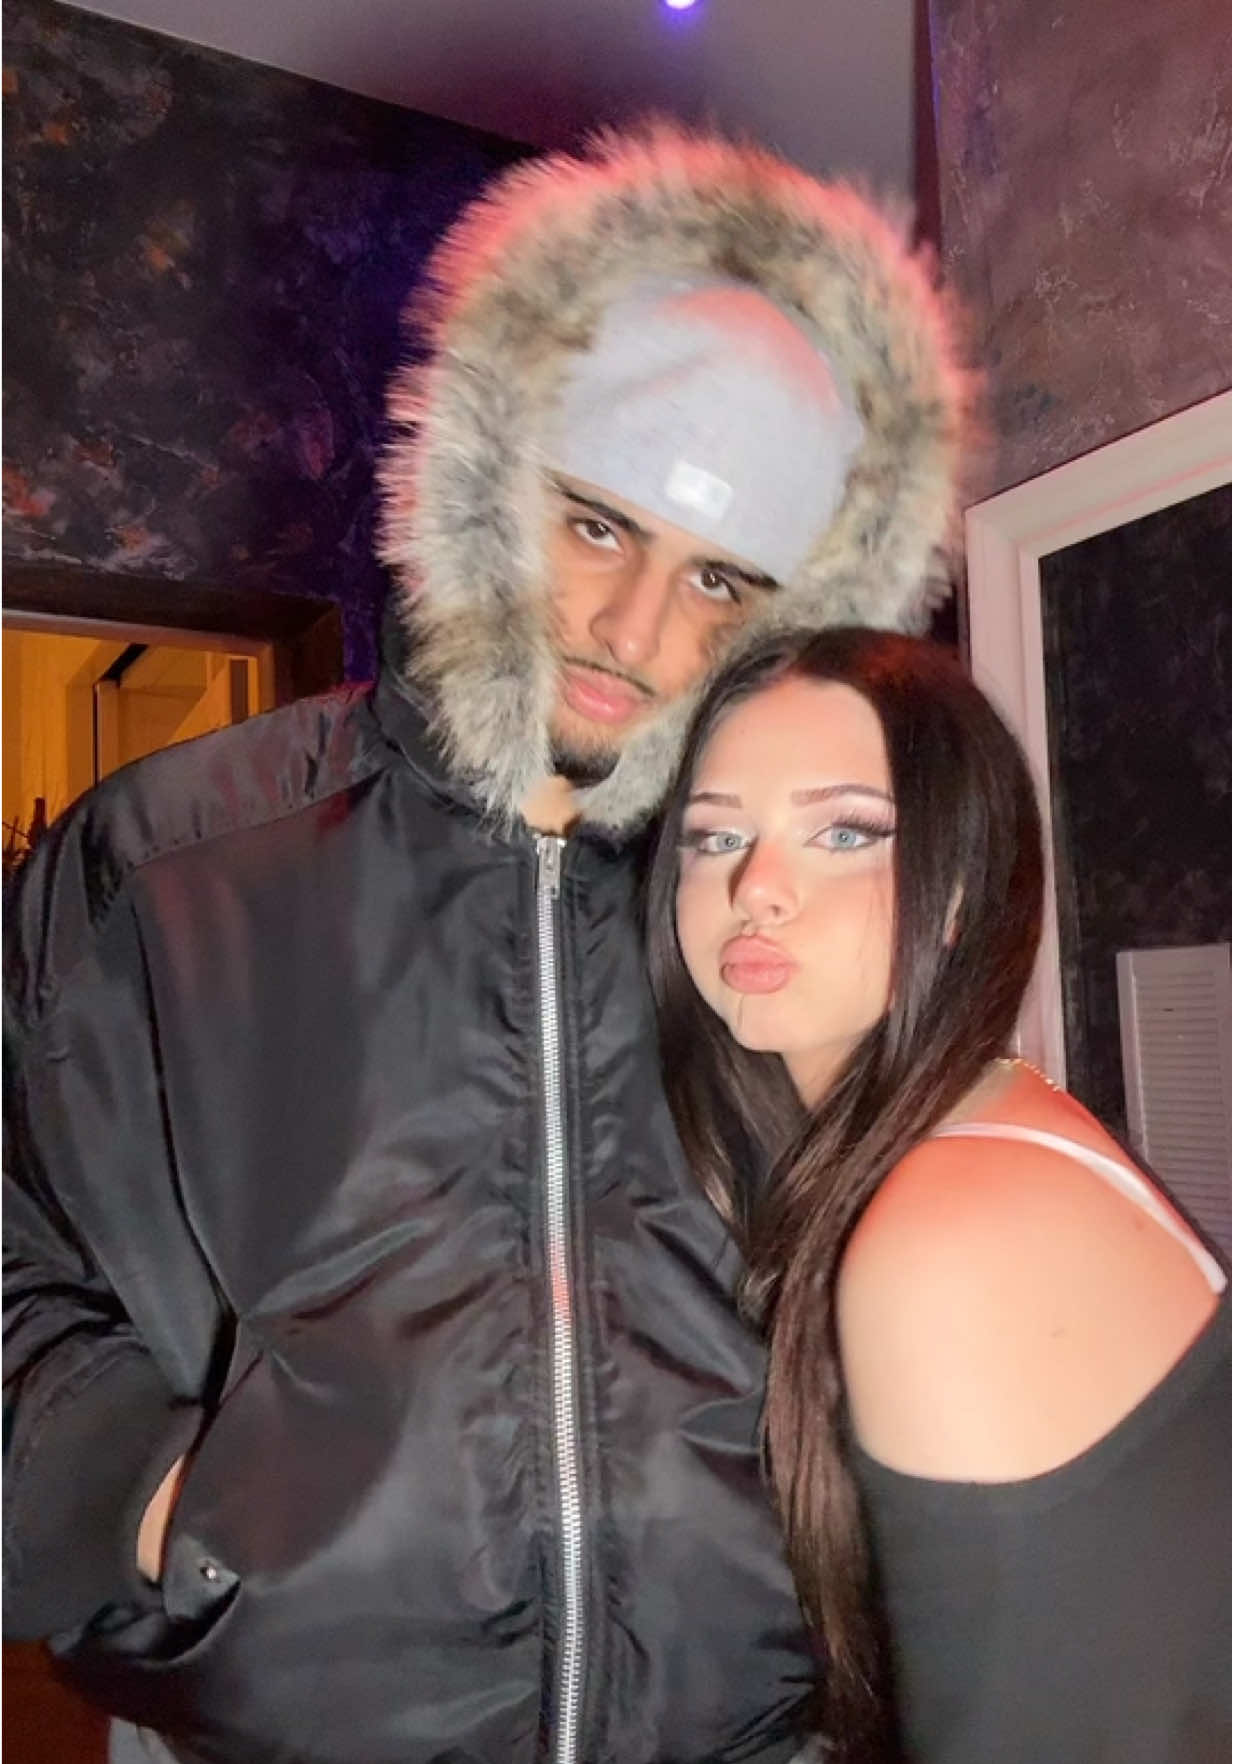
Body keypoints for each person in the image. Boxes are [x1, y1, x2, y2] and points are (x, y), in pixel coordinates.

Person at [3, 129, 967, 1763]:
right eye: (593, 526)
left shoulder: (792, 905)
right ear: (486, 475)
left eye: (720, 577)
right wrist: (157, 1499)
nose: (633, 630)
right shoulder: (166, 865)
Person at [646, 624, 1230, 1764]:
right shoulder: (995, 1117)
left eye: (843, 833)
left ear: (959, 887)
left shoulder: (950, 1228)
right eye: (717, 835)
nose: (756, 888)